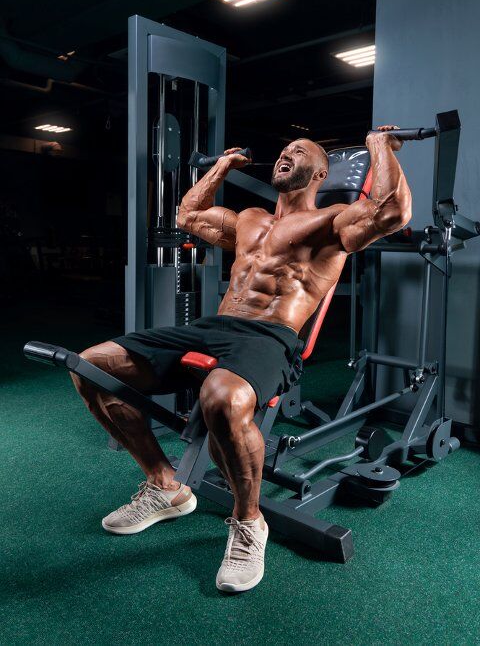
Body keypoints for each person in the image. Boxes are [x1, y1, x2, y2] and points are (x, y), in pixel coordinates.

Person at [71, 126, 411, 592]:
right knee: (90, 366)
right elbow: (188, 215)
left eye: (299, 150)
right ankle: (164, 485)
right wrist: (222, 166)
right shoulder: (248, 219)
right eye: (284, 148)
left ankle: (249, 522)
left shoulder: (333, 220)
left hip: (270, 335)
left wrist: (379, 147)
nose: (285, 152)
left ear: (322, 172)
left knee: (222, 400)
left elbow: (392, 212)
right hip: (213, 328)